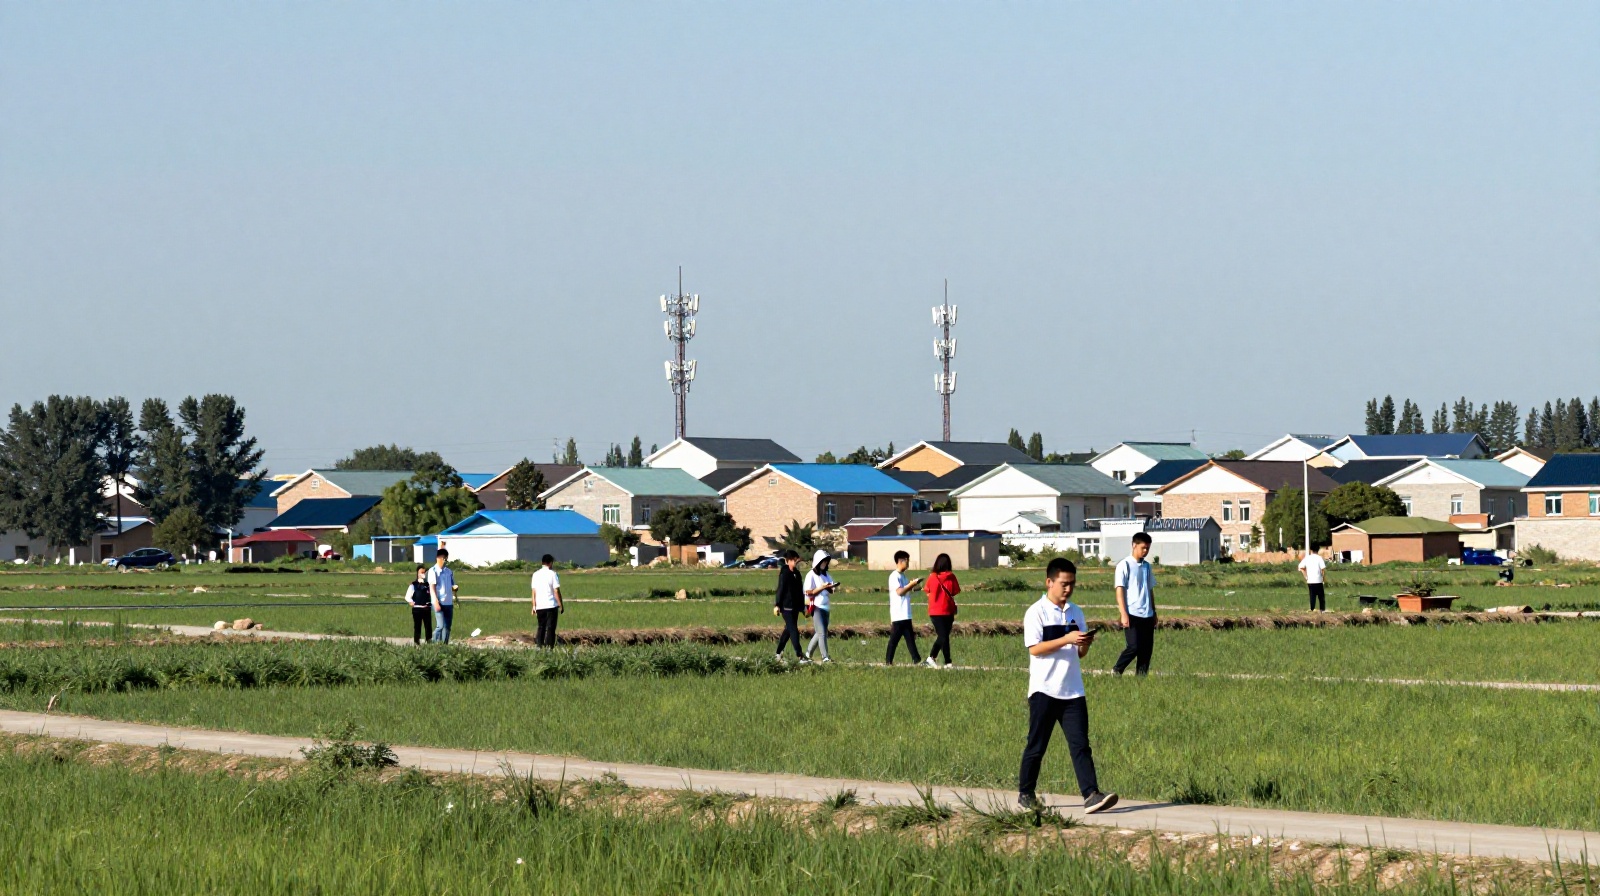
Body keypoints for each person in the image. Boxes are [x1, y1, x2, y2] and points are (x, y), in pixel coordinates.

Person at [1017, 557, 1118, 815]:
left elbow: (1080, 653)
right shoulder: (1036, 612)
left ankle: (1091, 795)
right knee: (1037, 745)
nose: (1068, 589)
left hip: (1073, 690)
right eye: (1063, 584)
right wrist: (1066, 638)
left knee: (1080, 744)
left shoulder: (1076, 612)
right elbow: (1035, 649)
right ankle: (1026, 793)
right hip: (1044, 690)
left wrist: (1084, 643)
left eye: (1072, 584)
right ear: (1049, 582)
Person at [1113, 533, 1156, 676]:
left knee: (1146, 650)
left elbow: (1150, 590)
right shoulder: (1124, 565)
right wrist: (1123, 613)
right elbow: (1120, 590)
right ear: (1134, 545)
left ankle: (1140, 679)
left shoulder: (1147, 567)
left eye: (1148, 548)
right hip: (1132, 613)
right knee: (1134, 646)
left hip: (1147, 614)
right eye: (1143, 548)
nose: (1145, 551)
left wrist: (1154, 612)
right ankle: (1117, 670)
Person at [885, 550, 924, 665]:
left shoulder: (903, 576)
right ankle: (888, 661)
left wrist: (918, 586)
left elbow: (908, 590)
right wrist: (910, 585)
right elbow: (900, 592)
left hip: (906, 613)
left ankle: (916, 659)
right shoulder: (894, 576)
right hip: (898, 614)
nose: (908, 563)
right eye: (907, 560)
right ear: (900, 561)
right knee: (894, 639)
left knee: (910, 638)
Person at [923, 553, 961, 668]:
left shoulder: (931, 577)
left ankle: (948, 662)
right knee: (944, 636)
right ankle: (931, 657)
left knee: (943, 637)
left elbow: (927, 591)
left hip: (935, 612)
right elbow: (955, 591)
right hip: (948, 610)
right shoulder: (951, 577)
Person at [802, 550, 840, 663]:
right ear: (818, 562)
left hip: (825, 606)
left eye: (826, 562)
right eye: (823, 562)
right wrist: (822, 587)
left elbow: (831, 590)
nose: (824, 564)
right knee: (822, 632)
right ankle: (825, 657)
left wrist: (831, 587)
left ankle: (808, 653)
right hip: (816, 606)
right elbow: (808, 592)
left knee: (820, 632)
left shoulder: (826, 575)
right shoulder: (811, 575)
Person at [772, 550, 808, 663]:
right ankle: (800, 655)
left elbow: (799, 591)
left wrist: (803, 607)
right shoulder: (785, 573)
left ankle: (778, 653)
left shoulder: (797, 574)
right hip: (786, 607)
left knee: (788, 630)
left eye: (796, 559)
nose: (795, 561)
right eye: (793, 560)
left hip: (796, 607)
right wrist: (777, 604)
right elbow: (780, 589)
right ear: (788, 561)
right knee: (794, 630)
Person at [531, 554, 564, 648]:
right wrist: (560, 604)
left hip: (540, 606)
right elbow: (556, 590)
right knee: (550, 628)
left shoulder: (535, 574)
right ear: (550, 563)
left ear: (542, 562)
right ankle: (549, 648)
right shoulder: (553, 574)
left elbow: (533, 591)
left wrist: (534, 606)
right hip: (551, 606)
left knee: (541, 626)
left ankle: (539, 647)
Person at [428, 548, 457, 644]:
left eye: (445, 558)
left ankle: (444, 645)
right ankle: (434, 642)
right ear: (437, 558)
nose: (444, 560)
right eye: (442, 558)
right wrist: (435, 602)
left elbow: (453, 584)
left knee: (447, 626)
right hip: (438, 601)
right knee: (440, 626)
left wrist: (455, 588)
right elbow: (432, 587)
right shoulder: (433, 571)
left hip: (448, 602)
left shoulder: (449, 572)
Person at [404, 565, 432, 646]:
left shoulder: (428, 585)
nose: (423, 574)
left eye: (424, 572)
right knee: (417, 626)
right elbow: (407, 596)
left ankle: (429, 641)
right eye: (421, 572)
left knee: (428, 626)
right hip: (417, 609)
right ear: (417, 573)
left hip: (427, 608)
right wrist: (410, 602)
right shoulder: (414, 585)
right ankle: (417, 642)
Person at [1298, 548, 1327, 612]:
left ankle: (1312, 609)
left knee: (1312, 596)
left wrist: (1306, 576)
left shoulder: (1307, 558)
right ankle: (1322, 610)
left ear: (1311, 550)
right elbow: (1323, 569)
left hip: (1310, 581)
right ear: (1318, 551)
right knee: (1321, 597)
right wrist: (1323, 579)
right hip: (1318, 581)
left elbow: (1301, 567)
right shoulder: (1319, 558)